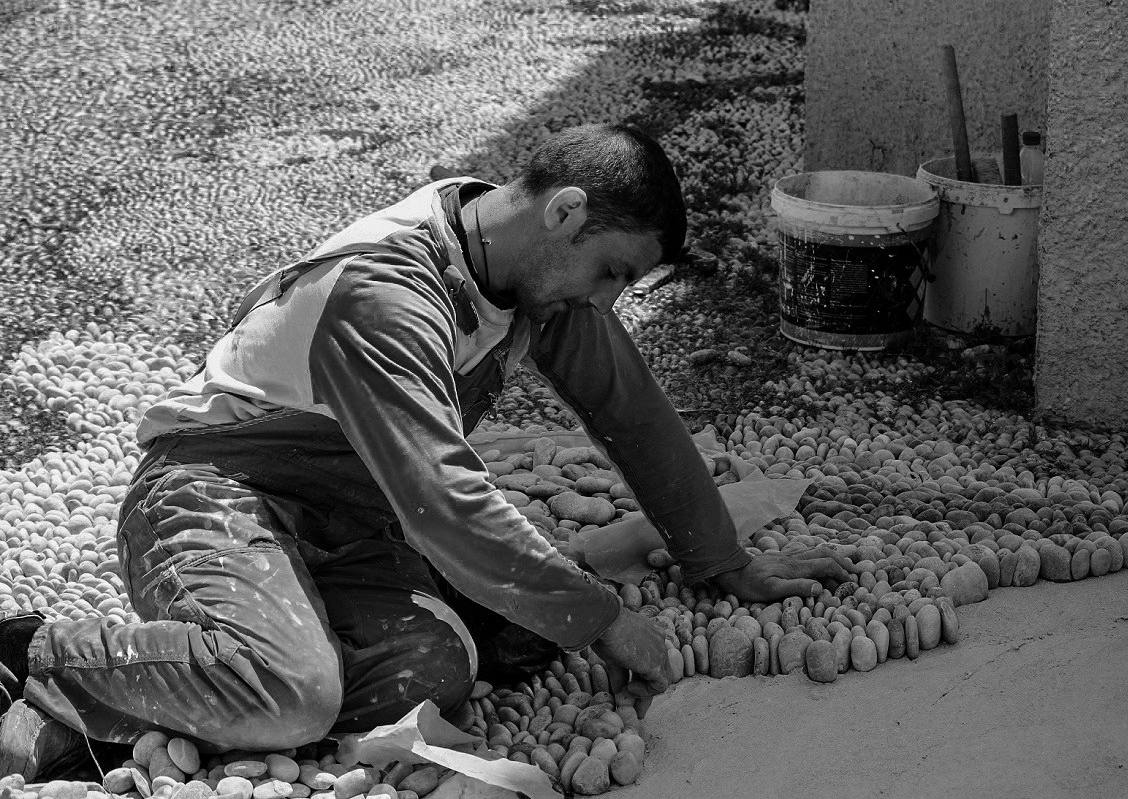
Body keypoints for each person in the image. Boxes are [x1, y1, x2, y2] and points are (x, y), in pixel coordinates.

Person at [0, 124, 851, 779]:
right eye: (613, 273)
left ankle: (150, 700)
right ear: (564, 213)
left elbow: (633, 414)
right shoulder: (386, 294)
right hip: (215, 494)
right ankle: (30, 652)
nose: (608, 301)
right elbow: (442, 501)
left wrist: (720, 560)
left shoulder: (527, 276)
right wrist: (601, 616)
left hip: (353, 517)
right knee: (296, 694)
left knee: (436, 669)